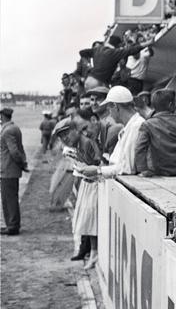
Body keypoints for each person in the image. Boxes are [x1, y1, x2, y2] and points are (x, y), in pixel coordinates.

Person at [75, 86, 145, 178]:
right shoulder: (128, 127)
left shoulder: (137, 126)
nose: (109, 112)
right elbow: (116, 163)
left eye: (109, 108)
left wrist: (98, 170)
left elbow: (128, 168)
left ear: (115, 106)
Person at [64, 108, 101, 269]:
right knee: (88, 220)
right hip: (88, 181)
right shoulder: (85, 140)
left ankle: (92, 251)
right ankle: (91, 251)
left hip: (93, 182)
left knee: (91, 219)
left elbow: (97, 160)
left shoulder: (88, 141)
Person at [135, 89, 176, 177]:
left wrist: (143, 169)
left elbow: (139, 148)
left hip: (161, 169)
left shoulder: (147, 125)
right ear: (171, 105)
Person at [84, 35, 153, 91]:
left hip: (89, 80)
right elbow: (131, 51)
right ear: (118, 45)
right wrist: (148, 43)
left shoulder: (97, 50)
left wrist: (88, 65)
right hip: (99, 83)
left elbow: (82, 53)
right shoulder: (114, 52)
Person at [1, 108, 28, 236]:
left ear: (2, 116)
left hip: (8, 170)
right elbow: (20, 149)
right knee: (10, 197)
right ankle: (11, 224)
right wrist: (23, 163)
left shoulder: (7, 131)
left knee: (8, 199)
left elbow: (14, 152)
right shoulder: (15, 128)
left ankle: (12, 226)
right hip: (11, 169)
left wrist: (21, 164)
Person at [85, 86, 123, 158]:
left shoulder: (112, 121)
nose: (94, 103)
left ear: (107, 101)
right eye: (92, 100)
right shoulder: (99, 122)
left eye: (98, 99)